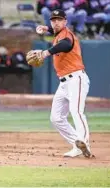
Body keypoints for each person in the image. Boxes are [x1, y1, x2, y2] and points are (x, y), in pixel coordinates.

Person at [35, 9, 94, 158]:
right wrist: (46, 28)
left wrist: (46, 52)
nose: (56, 22)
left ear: (65, 21)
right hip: (63, 83)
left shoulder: (67, 35)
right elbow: (56, 34)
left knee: (77, 112)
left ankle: (85, 142)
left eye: (59, 20)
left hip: (76, 79)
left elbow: (66, 45)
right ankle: (77, 144)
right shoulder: (57, 34)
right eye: (53, 20)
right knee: (56, 118)